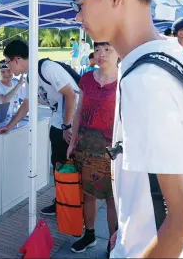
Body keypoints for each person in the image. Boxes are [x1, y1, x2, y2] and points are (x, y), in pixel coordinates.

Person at [48, 0, 183, 257]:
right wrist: (130, 232)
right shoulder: (168, 58)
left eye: (80, 4)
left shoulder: (145, 80)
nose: (77, 16)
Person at [0, 39, 79, 216]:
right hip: (59, 122)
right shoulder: (30, 76)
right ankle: (62, 203)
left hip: (72, 123)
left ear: (17, 59)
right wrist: (9, 126)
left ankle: (74, 210)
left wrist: (67, 125)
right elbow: (27, 104)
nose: (8, 67)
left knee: (71, 167)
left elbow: (71, 95)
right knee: (59, 165)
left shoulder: (46, 68)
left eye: (8, 62)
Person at [67, 42, 119, 254]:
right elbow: (79, 110)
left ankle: (113, 243)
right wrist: (72, 141)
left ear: (118, 53)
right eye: (98, 50)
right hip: (86, 145)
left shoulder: (124, 80)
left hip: (112, 149)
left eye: (108, 50)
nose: (101, 54)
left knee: (112, 199)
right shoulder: (87, 78)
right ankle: (89, 235)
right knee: (87, 193)